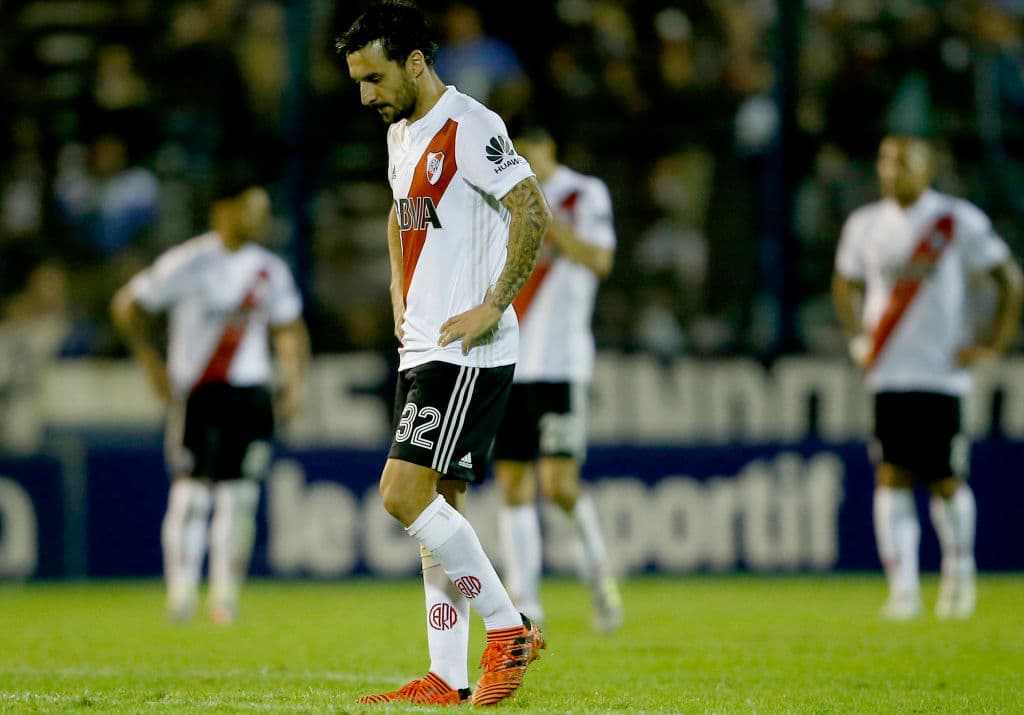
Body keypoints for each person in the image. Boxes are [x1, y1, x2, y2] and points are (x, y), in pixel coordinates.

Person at [337, 1, 551, 706]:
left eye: (374, 78)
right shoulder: (402, 133)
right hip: (423, 343)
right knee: (442, 511)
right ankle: (448, 675)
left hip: (467, 350)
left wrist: (493, 303)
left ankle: (508, 625)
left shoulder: (471, 125)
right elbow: (401, 212)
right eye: (357, 82)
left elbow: (531, 208)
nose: (366, 95)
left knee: (403, 494)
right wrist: (400, 283)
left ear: (416, 62)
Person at [832, 135, 1023, 621]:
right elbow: (845, 282)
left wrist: (993, 343)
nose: (892, 170)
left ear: (928, 168)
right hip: (888, 373)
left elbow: (1008, 279)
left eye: (904, 162)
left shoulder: (956, 220)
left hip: (941, 374)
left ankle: (960, 577)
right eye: (885, 161)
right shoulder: (865, 224)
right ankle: (904, 590)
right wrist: (857, 338)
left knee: (945, 478)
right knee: (891, 475)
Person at [111, 179, 309, 624]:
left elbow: (289, 329)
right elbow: (127, 305)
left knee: (240, 499)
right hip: (198, 393)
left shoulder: (269, 269)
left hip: (251, 392)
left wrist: (294, 383)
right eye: (252, 208)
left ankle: (224, 597)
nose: (261, 218)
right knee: (192, 497)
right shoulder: (190, 261)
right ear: (225, 211)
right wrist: (151, 365)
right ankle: (181, 594)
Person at [491, 125, 623, 633]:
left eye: (528, 151)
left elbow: (600, 260)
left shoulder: (582, 193)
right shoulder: (501, 197)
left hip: (563, 364)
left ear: (549, 148)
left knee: (560, 485)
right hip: (511, 361)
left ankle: (599, 576)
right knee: (512, 481)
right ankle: (528, 603)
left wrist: (543, 219)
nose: (523, 160)